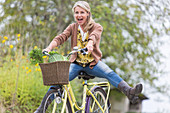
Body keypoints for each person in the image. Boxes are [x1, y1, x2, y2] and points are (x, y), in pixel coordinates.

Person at [34, 1, 143, 112]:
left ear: (88, 13)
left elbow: (94, 36)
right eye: (77, 13)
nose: (79, 15)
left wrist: (90, 44)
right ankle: (41, 109)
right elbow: (61, 38)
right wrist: (49, 48)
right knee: (58, 82)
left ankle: (129, 91)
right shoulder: (73, 27)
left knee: (109, 73)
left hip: (92, 64)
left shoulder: (97, 27)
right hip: (76, 64)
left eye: (82, 12)